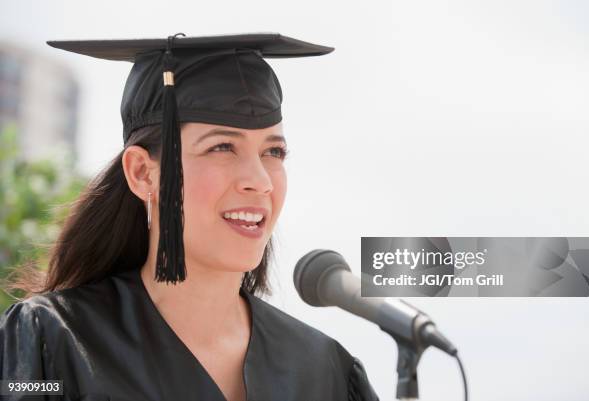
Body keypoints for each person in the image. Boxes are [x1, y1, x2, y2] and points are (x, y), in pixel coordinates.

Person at [0, 33, 380, 401]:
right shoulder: (55, 343)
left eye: (274, 152)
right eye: (222, 147)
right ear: (142, 174)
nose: (259, 181)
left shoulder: (323, 370)